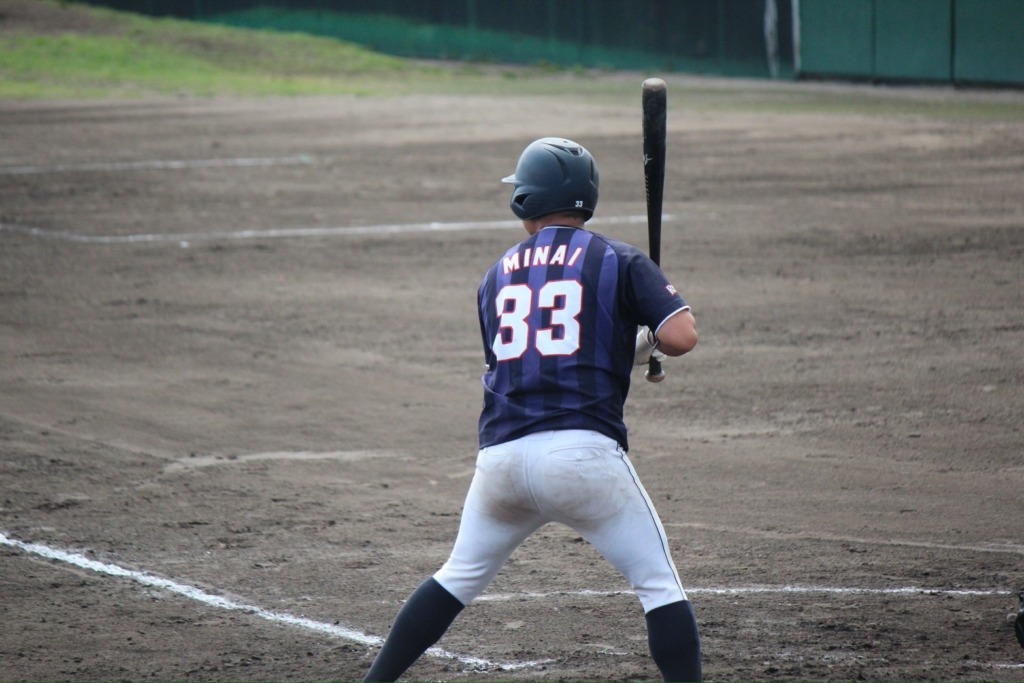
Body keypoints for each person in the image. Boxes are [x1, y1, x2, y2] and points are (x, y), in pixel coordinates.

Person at [363, 137, 701, 682]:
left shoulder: (495, 275)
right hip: (582, 459)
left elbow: (529, 356)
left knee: (456, 578)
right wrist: (649, 340)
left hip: (500, 462)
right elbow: (681, 336)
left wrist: (635, 344)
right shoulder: (616, 257)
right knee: (659, 587)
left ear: (525, 200)